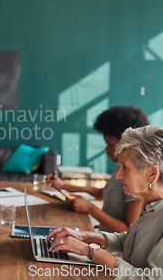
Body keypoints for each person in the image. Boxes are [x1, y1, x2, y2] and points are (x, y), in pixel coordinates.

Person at [46, 125, 163, 279]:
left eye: (124, 167)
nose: (118, 175)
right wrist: (82, 236)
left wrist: (89, 251)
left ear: (151, 174)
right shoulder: (150, 206)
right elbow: (127, 241)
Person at [47, 105, 148, 232]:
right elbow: (102, 193)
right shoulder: (119, 168)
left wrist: (90, 208)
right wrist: (62, 185)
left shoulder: (135, 178)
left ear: (127, 144)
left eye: (109, 144)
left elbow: (128, 230)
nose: (106, 150)